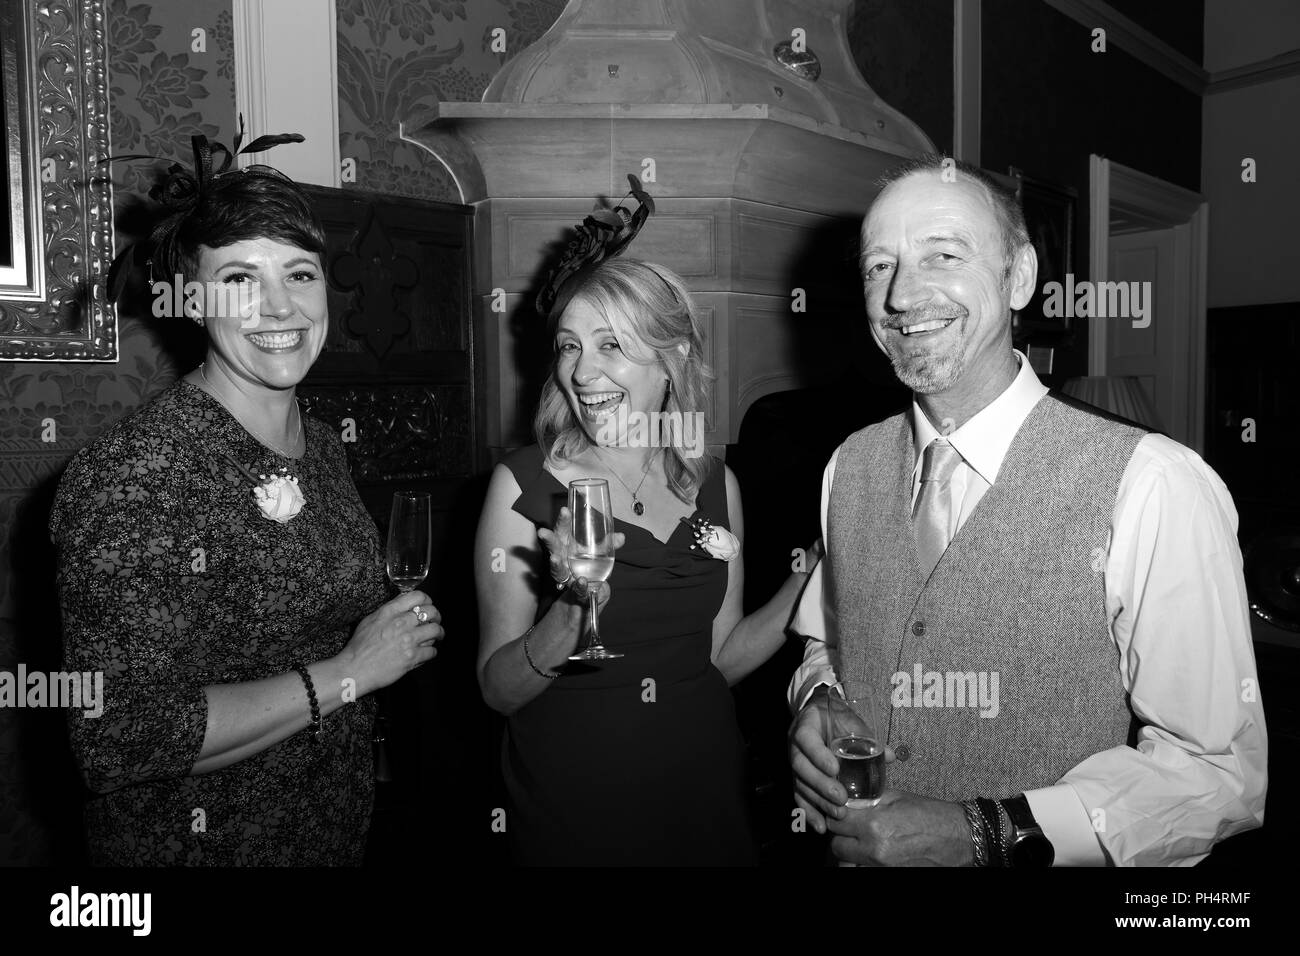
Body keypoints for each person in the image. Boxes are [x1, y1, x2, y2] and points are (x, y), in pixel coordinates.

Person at [787, 155, 1266, 867]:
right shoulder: (845, 466)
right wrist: (818, 698)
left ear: (1019, 277)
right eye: (877, 267)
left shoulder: (1154, 484)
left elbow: (1218, 777)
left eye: (942, 255)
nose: (901, 295)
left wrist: (985, 834)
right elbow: (827, 641)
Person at [50, 134, 444, 865]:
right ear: (191, 301)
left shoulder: (322, 442)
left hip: (331, 834)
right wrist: (350, 671)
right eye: (239, 280)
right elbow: (118, 736)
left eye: (299, 273)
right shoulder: (136, 471)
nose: (278, 306)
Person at [474, 186, 817, 864]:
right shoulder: (520, 485)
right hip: (575, 804)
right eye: (570, 346)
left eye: (611, 345)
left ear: (673, 360)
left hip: (704, 789)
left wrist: (808, 583)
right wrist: (570, 615)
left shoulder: (719, 483)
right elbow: (497, 690)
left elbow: (721, 657)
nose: (583, 370)